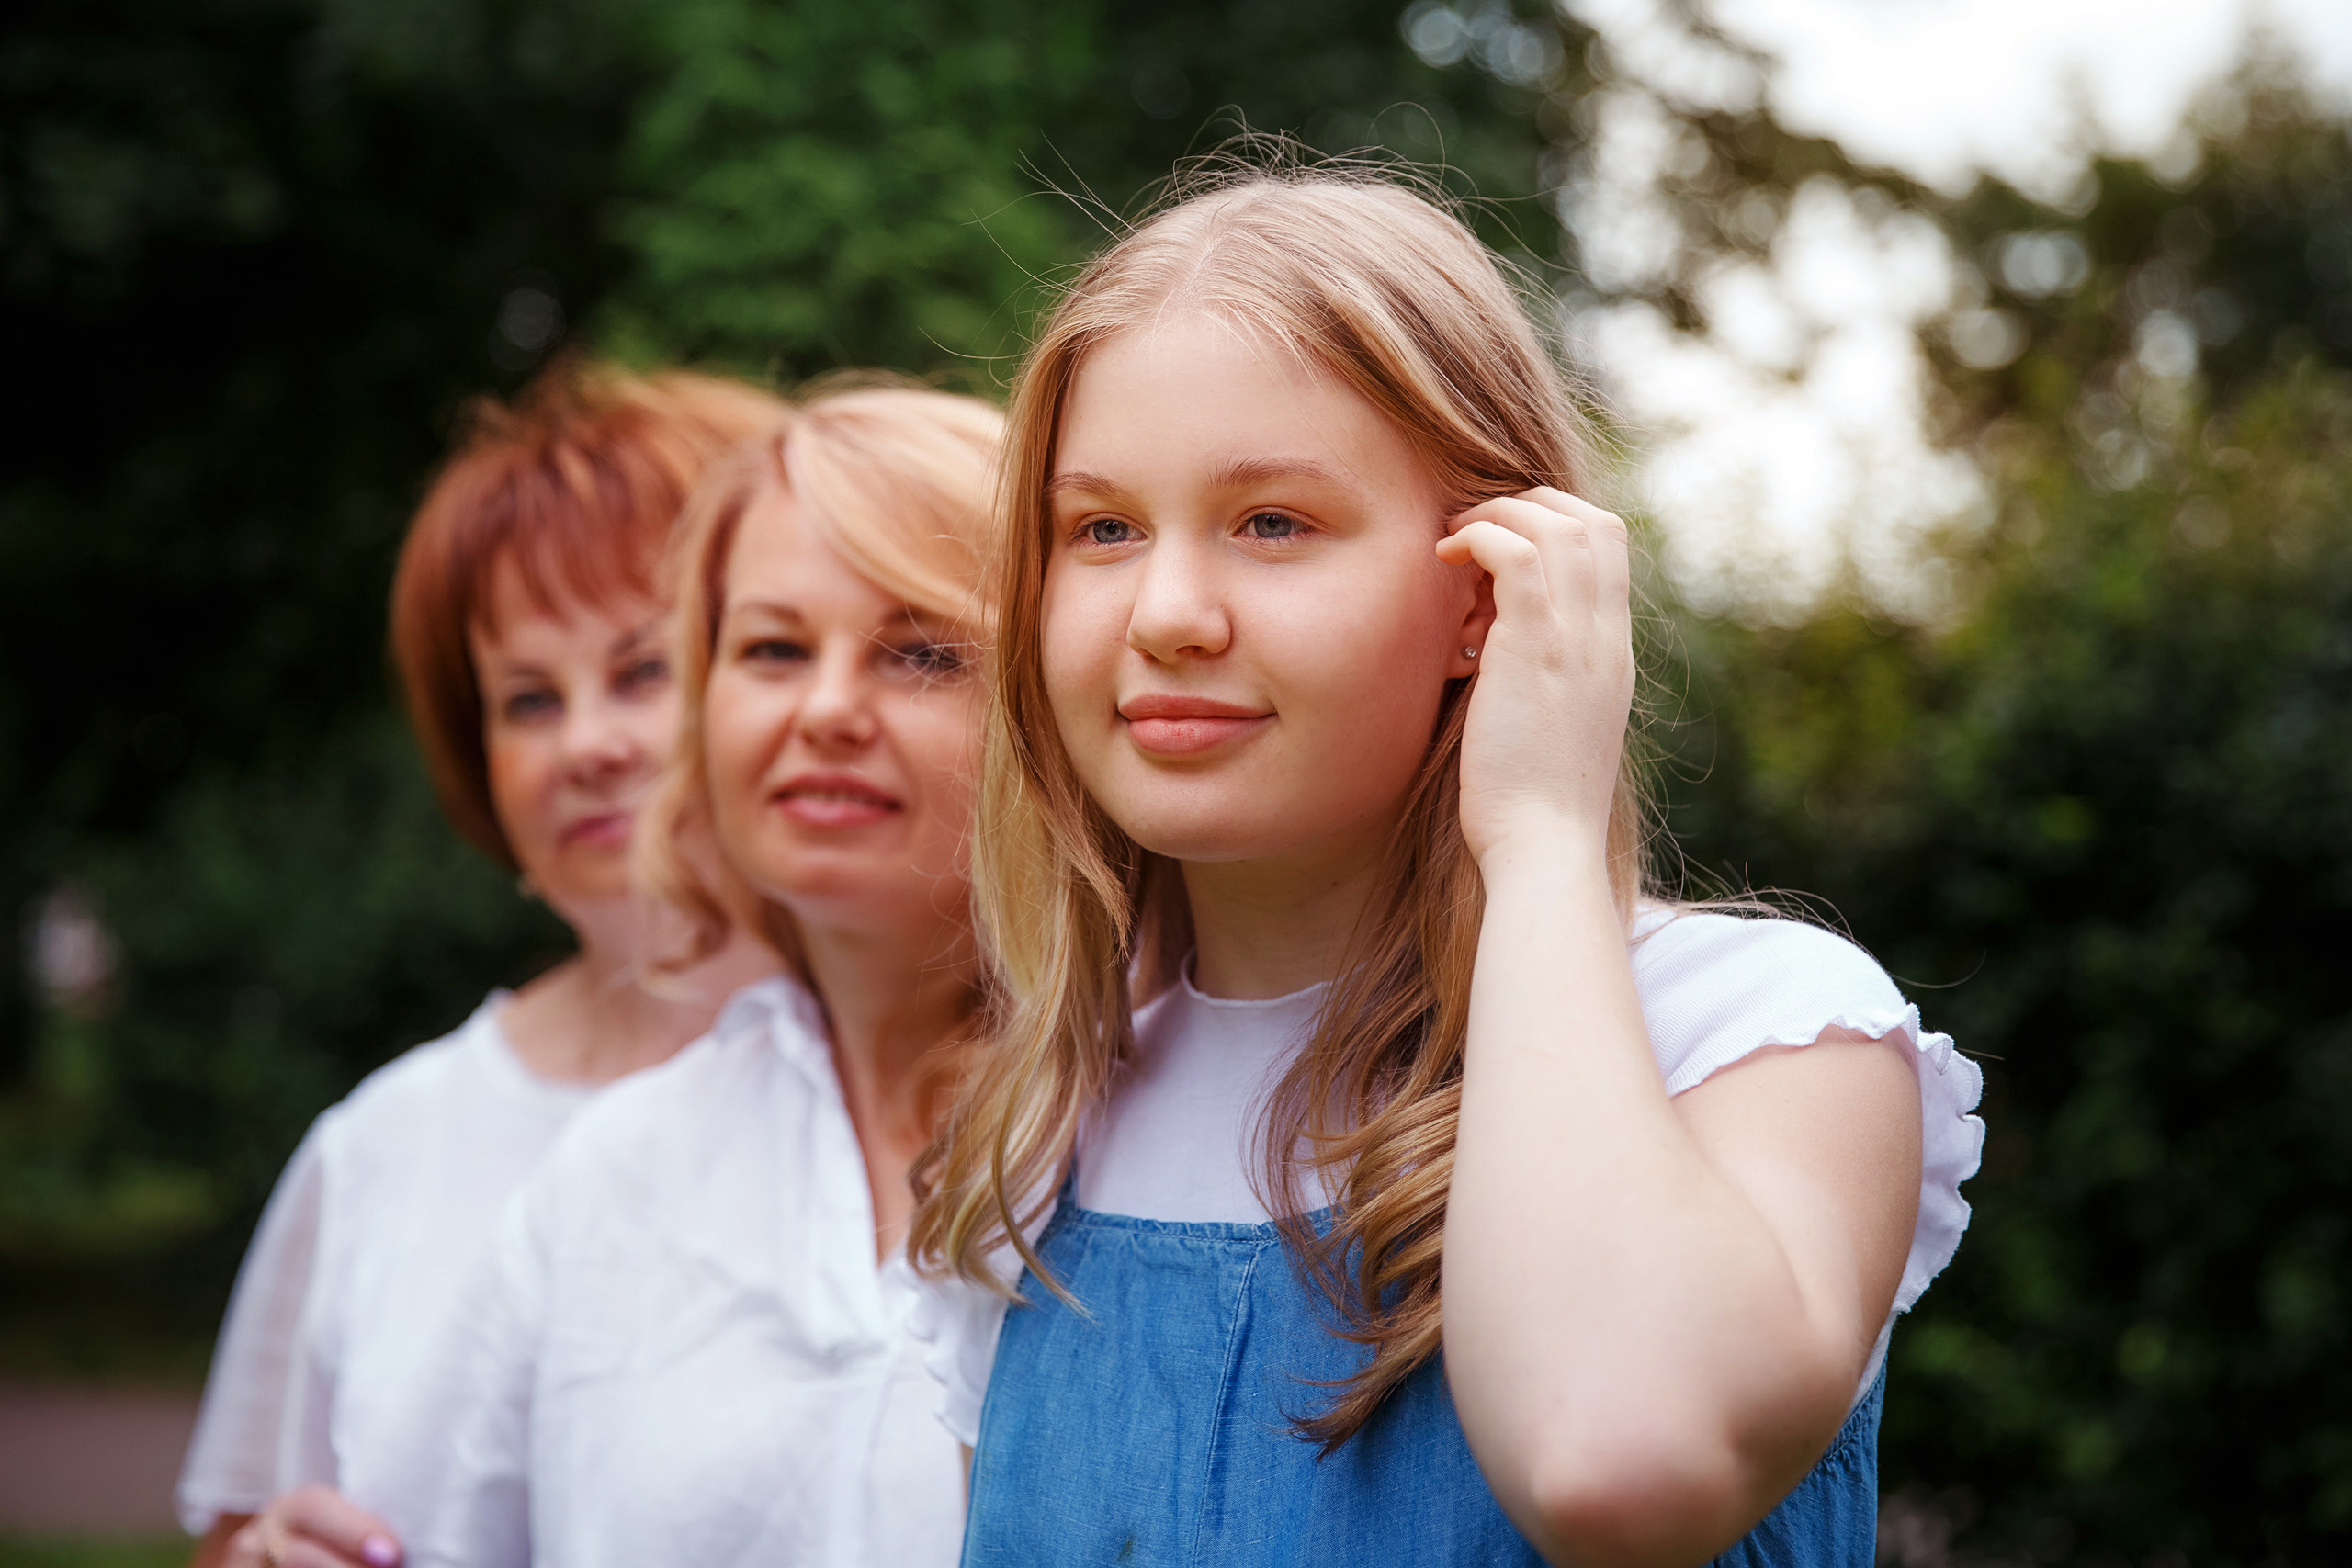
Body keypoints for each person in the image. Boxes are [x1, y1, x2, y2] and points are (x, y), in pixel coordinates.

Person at [908, 164, 1986, 1568]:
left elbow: (1616, 1460)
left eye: (1273, 523)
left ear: (1488, 591)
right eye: (1102, 529)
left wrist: (1539, 837)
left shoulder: (1757, 1040)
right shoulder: (1037, 1132)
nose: (1167, 614)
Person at [176, 360, 784, 1568]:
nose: (586, 745)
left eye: (641, 670)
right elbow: (243, 1528)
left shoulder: (949, 1092)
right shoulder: (380, 1147)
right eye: (527, 701)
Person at [402, 381, 1001, 1568]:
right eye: (774, 648)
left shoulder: (1178, 1143)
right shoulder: (615, 1175)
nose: (828, 709)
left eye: (921, 652)